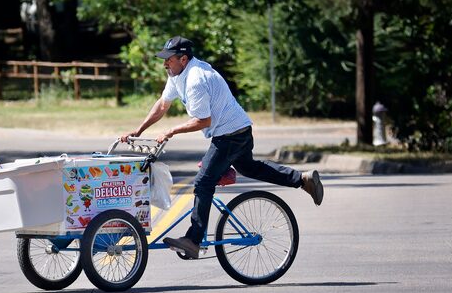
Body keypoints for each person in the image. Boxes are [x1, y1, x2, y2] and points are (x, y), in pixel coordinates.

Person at [120, 35, 324, 259]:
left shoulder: (196, 79)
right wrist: (139, 130)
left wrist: (171, 131)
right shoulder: (177, 75)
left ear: (184, 59)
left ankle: (193, 240)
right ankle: (302, 179)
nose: (164, 63)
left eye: (169, 59)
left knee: (203, 182)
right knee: (249, 168)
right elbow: (162, 105)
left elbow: (203, 121)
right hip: (238, 130)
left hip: (230, 135)